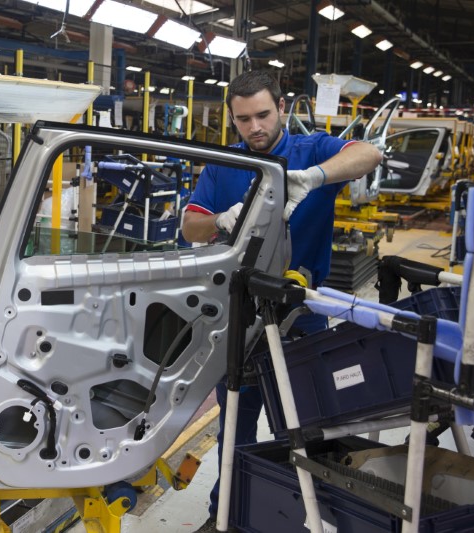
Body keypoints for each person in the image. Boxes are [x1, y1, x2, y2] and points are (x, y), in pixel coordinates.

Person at [181, 70, 382, 533]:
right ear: (233, 120)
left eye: (263, 115)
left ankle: (302, 515)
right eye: (244, 119)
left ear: (282, 108)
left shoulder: (312, 149)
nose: (255, 127)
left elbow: (370, 153)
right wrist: (220, 219)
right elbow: (190, 228)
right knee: (235, 425)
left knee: (306, 425)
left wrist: (312, 178)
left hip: (302, 315)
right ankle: (226, 513)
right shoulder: (223, 165)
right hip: (242, 317)